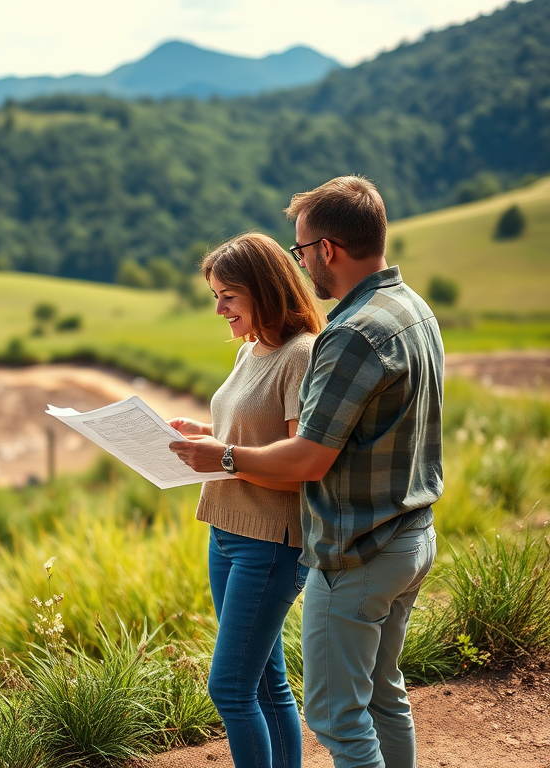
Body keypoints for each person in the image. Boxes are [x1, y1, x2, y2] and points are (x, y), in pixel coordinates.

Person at [170, 175, 443, 768]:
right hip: (410, 531)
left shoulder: (348, 335)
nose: (301, 263)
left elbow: (308, 458)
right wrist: (219, 443)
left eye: (300, 249)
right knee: (379, 698)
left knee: (338, 717)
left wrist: (222, 457)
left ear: (327, 250)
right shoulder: (412, 310)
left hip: (359, 545)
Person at [168, 232, 323, 768]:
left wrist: (224, 456)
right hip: (227, 532)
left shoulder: (300, 355)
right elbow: (256, 433)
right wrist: (205, 431)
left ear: (263, 289)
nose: (218, 309)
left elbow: (302, 469)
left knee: (230, 689)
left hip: (271, 544)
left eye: (228, 296)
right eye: (215, 295)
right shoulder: (251, 348)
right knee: (263, 681)